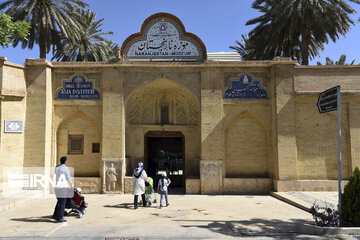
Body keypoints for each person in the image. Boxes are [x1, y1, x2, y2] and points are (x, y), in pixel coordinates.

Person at [52, 156, 73, 222]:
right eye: (67, 161)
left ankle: (55, 215)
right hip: (62, 187)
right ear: (65, 162)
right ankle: (59, 217)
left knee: (59, 201)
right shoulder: (65, 169)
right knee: (62, 202)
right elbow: (68, 177)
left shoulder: (56, 167)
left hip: (56, 186)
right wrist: (71, 184)